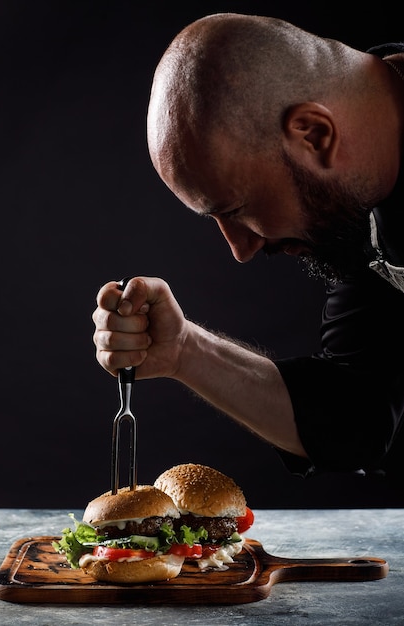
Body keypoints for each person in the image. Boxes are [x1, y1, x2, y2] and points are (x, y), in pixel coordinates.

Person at [92, 13, 404, 488]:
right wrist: (185, 352)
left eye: (237, 209)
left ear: (314, 135)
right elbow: (355, 421)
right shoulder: (363, 214)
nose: (240, 248)